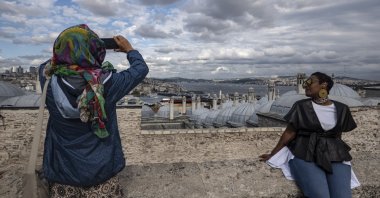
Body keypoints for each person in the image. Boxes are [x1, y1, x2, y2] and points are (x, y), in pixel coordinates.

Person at [38, 24, 149, 197]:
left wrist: (68, 46)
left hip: (63, 173)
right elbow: (140, 69)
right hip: (101, 172)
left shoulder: (48, 80)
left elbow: (51, 61)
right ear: (97, 50)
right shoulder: (109, 84)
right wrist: (129, 49)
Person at [259, 72, 359, 198]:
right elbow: (289, 133)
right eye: (305, 82)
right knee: (320, 195)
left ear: (324, 85)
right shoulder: (301, 106)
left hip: (334, 153)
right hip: (304, 151)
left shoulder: (342, 109)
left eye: (310, 82)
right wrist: (273, 154)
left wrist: (338, 152)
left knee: (342, 195)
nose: (305, 85)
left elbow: (337, 136)